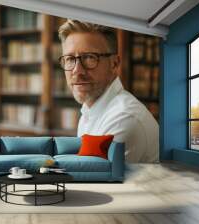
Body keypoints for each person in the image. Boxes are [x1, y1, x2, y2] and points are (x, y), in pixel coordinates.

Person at [58, 20, 159, 163]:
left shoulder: (123, 119)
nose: (77, 71)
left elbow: (91, 184)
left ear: (114, 64)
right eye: (70, 59)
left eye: (89, 57)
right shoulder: (89, 111)